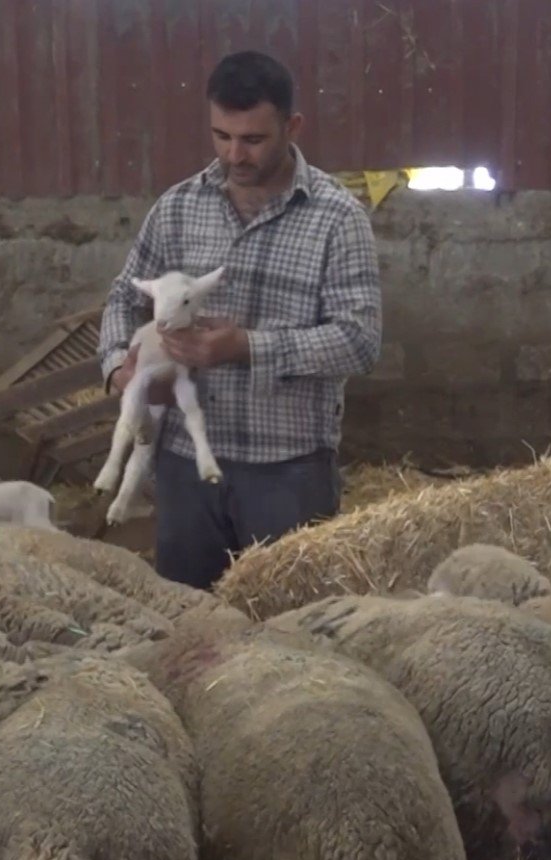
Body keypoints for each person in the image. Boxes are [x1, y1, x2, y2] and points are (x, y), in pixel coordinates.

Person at [96, 49, 383, 591]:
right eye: (221, 136)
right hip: (184, 469)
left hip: (288, 470)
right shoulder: (177, 207)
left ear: (292, 126)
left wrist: (245, 347)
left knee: (290, 628)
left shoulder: (337, 218)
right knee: (188, 624)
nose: (235, 154)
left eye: (253, 139)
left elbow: (360, 341)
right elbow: (122, 298)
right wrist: (119, 369)